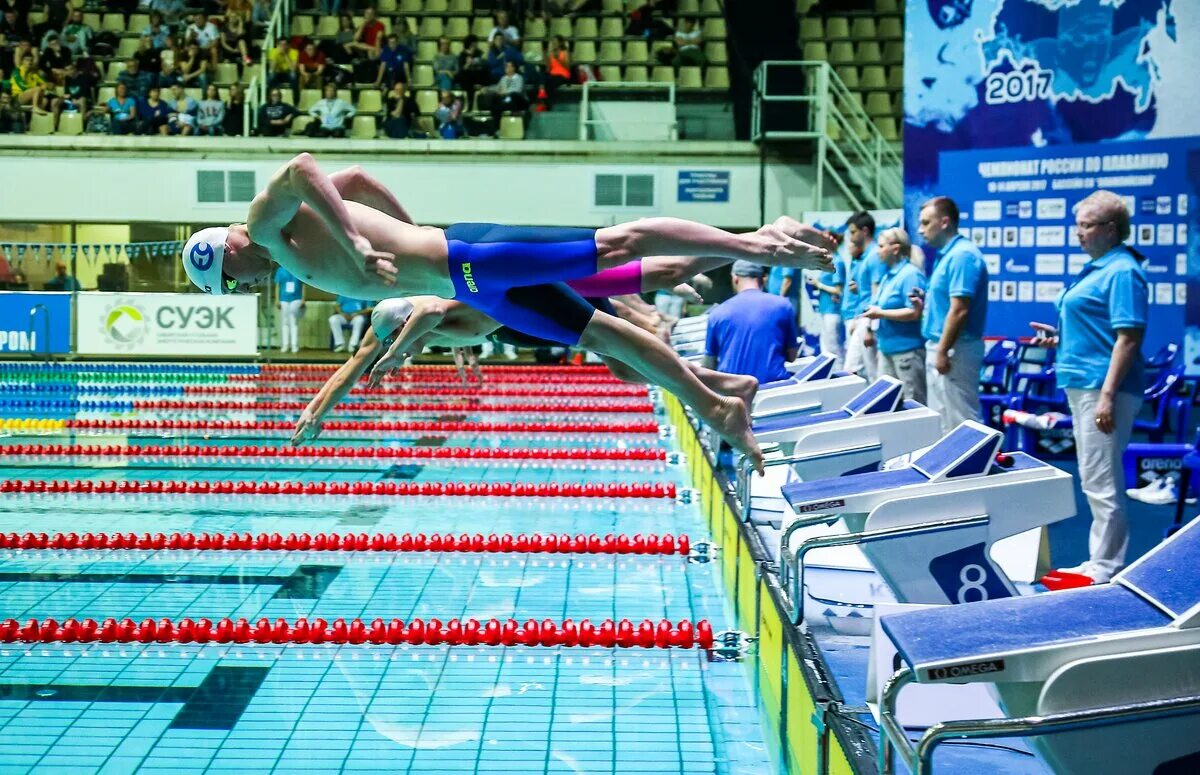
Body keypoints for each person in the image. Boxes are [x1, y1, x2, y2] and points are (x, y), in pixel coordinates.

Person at [179, 155, 834, 469]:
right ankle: (718, 405)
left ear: (222, 258)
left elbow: (303, 168)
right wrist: (404, 232)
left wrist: (369, 239)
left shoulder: (266, 228)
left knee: (618, 247)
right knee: (607, 335)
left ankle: (754, 242)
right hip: (470, 283)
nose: (247, 287)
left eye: (231, 283)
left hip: (471, 260)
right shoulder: (288, 245)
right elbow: (350, 180)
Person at [292, 294, 759, 446]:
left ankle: (653, 312)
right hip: (516, 328)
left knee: (625, 345)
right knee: (627, 370)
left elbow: (430, 313)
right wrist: (316, 411)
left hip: (530, 307)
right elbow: (351, 368)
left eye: (396, 342)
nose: (396, 350)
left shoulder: (424, 309)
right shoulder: (385, 327)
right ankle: (727, 385)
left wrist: (397, 354)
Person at [1030, 190, 1148, 584]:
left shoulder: (1121, 271)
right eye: (1078, 224)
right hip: (1085, 383)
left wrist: (1109, 396)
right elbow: (1098, 331)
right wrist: (1059, 339)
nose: (1078, 233)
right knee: (1093, 476)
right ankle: (1099, 560)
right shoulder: (1099, 267)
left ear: (1111, 230)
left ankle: (1106, 566)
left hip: (1103, 388)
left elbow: (1128, 337)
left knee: (1101, 478)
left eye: (1087, 225)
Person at [915, 195, 988, 433]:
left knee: (962, 421)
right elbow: (949, 305)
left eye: (926, 223)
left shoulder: (962, 256)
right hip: (942, 346)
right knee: (943, 421)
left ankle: (975, 470)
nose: (920, 229)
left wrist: (944, 351)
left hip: (955, 348)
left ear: (944, 222)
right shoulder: (947, 255)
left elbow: (960, 309)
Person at [704, 260, 799, 386]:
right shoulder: (783, 306)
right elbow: (792, 356)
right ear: (762, 279)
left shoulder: (717, 313)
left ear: (735, 279)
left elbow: (708, 365)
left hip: (735, 392)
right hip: (774, 389)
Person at [862, 227, 926, 403]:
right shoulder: (888, 276)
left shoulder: (910, 275)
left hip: (907, 351)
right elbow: (877, 305)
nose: (877, 251)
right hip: (886, 349)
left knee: (912, 402)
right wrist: (869, 327)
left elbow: (914, 313)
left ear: (895, 249)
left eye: (881, 246)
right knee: (888, 402)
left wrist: (881, 313)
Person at [840, 210, 881, 381]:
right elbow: (865, 294)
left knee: (870, 372)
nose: (850, 237)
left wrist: (870, 327)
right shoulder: (864, 257)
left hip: (868, 321)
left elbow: (876, 294)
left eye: (853, 232)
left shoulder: (874, 256)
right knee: (854, 370)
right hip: (862, 318)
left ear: (865, 231)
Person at [806, 258, 844, 369]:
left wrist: (819, 285)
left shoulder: (837, 262)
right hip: (824, 309)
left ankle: (839, 374)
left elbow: (838, 290)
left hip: (833, 310)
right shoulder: (827, 262)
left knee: (834, 346)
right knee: (826, 347)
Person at [275, 266, 304, 353]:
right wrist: (277, 299)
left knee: (293, 321)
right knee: (285, 322)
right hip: (284, 298)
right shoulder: (280, 270)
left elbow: (303, 285)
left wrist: (303, 298)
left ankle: (294, 345)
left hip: (296, 298)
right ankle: (285, 345)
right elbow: (277, 285)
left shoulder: (298, 268)